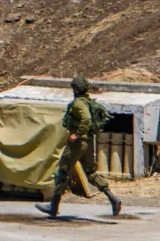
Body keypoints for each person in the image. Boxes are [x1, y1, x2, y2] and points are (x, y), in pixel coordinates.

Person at [36, 75, 123, 218]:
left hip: (77, 143)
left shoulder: (78, 104)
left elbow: (87, 119)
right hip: (88, 142)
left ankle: (53, 207)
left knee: (63, 171)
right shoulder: (89, 102)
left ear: (76, 89)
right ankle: (113, 198)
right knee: (90, 172)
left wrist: (77, 134)